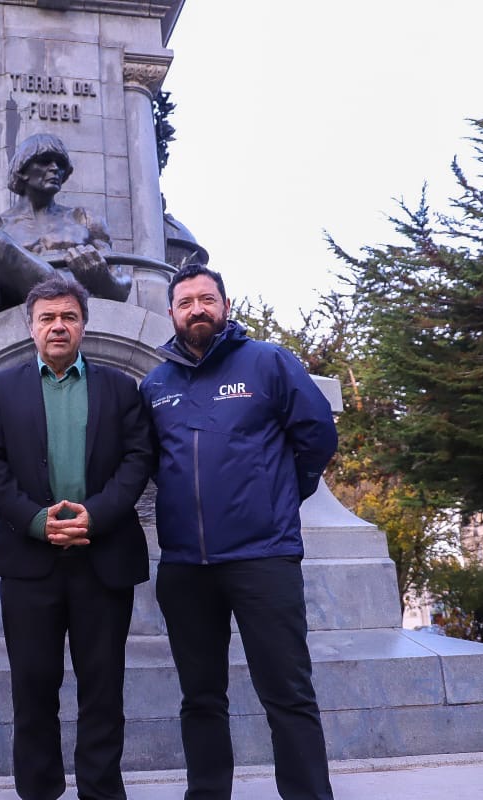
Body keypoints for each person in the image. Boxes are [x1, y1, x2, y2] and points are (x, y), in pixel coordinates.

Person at [139, 263, 339, 799]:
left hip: (263, 559)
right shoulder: (155, 385)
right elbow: (154, 463)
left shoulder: (268, 362)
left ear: (225, 306)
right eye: (186, 302)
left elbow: (317, 436)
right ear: (172, 313)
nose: (197, 309)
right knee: (200, 699)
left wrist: (278, 495)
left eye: (207, 299)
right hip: (185, 567)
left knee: (288, 694)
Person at [0, 274, 153, 800]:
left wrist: (94, 517)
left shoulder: (121, 388)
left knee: (103, 688)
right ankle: (39, 790)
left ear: (83, 326)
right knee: (33, 688)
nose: (58, 326)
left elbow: (138, 459)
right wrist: (36, 521)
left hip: (104, 559)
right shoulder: (3, 388)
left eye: (68, 317)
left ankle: (100, 790)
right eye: (48, 317)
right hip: (31, 564)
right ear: (30, 326)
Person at [0, 134, 133, 337]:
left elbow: (121, 288)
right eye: (44, 162)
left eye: (60, 165)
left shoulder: (84, 219)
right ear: (22, 170)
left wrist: (101, 278)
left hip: (69, 304)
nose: (55, 169)